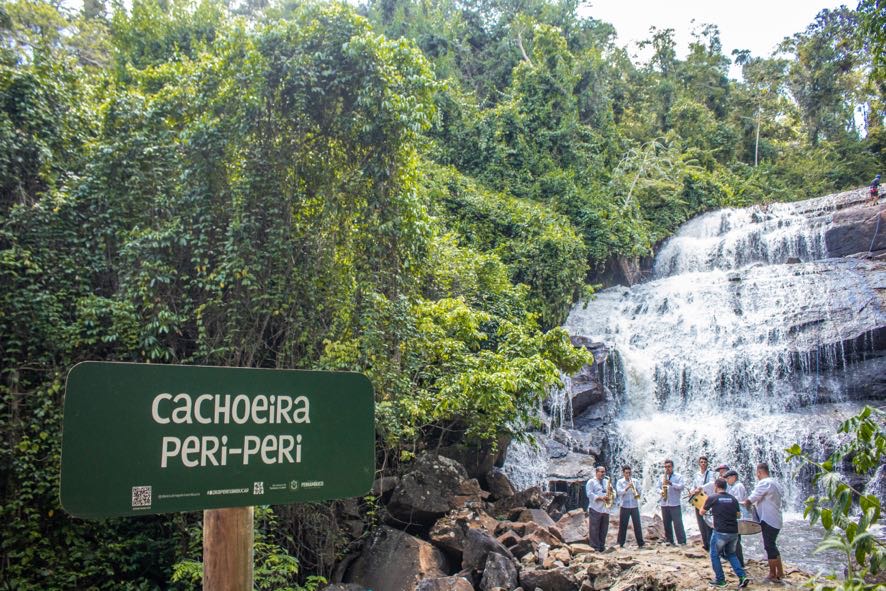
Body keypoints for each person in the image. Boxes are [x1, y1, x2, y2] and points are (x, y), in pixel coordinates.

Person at [701, 478, 749, 589]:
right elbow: (738, 515)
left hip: (720, 532)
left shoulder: (713, 497)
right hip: (733, 532)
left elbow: (702, 512)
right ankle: (742, 577)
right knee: (731, 554)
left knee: (714, 555)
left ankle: (720, 580)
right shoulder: (733, 499)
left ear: (716, 486)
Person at [745, 462, 785, 582]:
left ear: (759, 472)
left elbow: (751, 499)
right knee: (772, 545)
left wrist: (743, 504)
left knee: (769, 546)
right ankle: (780, 572)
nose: (756, 476)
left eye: (757, 473)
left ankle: (772, 574)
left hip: (768, 519)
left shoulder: (764, 483)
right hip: (776, 518)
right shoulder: (775, 482)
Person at [616, 465, 645, 549]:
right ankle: (620, 542)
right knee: (623, 525)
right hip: (624, 505)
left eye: (629, 473)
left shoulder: (635, 481)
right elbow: (619, 493)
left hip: (634, 505)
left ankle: (641, 543)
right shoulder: (620, 482)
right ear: (623, 473)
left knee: (637, 525)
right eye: (626, 473)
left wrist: (636, 490)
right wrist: (627, 487)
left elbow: (640, 491)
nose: (628, 474)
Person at [690, 455, 715, 550]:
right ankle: (705, 543)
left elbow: (712, 483)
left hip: (707, 500)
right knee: (700, 522)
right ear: (699, 463)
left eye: (705, 462)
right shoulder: (696, 475)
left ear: (707, 463)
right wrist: (692, 491)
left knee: (708, 522)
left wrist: (700, 488)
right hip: (698, 500)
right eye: (701, 462)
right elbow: (694, 485)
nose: (703, 463)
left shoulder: (710, 474)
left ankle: (710, 543)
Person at [724, 470, 748, 567]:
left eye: (728, 478)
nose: (727, 480)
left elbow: (737, 501)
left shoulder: (738, 486)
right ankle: (736, 561)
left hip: (737, 516)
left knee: (736, 540)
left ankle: (739, 563)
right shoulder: (735, 486)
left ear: (734, 477)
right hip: (735, 516)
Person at [660, 459, 687, 545]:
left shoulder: (678, 476)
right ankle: (669, 540)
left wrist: (671, 483)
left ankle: (682, 541)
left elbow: (682, 487)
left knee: (678, 523)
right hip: (664, 503)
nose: (667, 469)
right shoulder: (662, 477)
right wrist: (661, 492)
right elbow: (657, 487)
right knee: (666, 523)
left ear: (672, 467)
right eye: (665, 467)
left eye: (669, 467)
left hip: (675, 503)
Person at [586, 466, 612, 552]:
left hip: (605, 508)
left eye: (604, 472)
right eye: (601, 472)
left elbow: (612, 492)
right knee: (594, 528)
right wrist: (600, 497)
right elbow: (589, 494)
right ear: (596, 472)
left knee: (604, 528)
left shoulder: (606, 482)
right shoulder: (591, 482)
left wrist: (610, 496)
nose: (603, 474)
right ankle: (594, 547)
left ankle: (602, 546)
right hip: (595, 508)